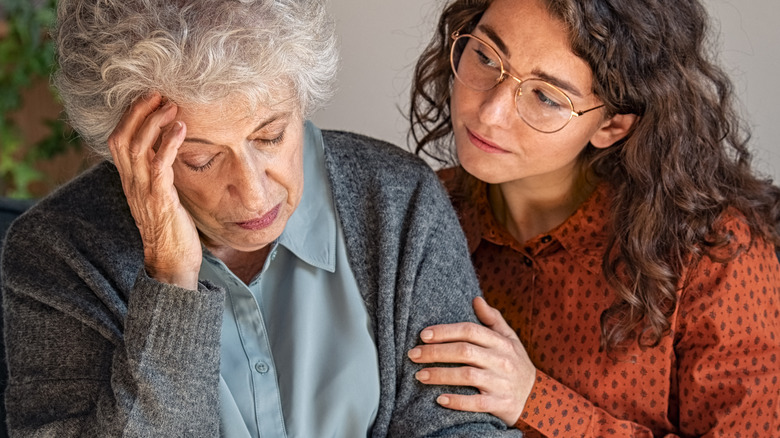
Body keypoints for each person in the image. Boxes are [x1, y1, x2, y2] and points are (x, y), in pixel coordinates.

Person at [0, 1, 522, 437]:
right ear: (127, 146)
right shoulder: (57, 254)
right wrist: (171, 282)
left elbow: (459, 426)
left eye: (270, 135)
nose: (254, 196)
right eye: (201, 159)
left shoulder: (396, 200)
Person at [406, 0, 780, 436]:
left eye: (546, 96)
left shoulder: (713, 254)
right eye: (486, 57)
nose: (490, 113)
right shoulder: (420, 213)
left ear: (611, 126)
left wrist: (533, 399)